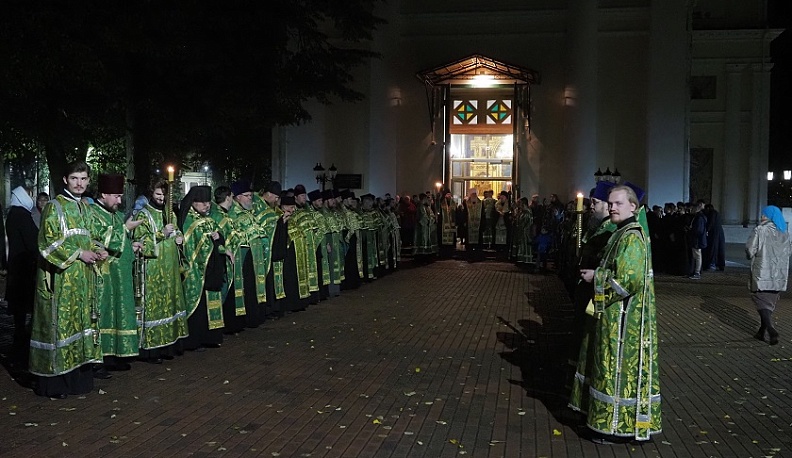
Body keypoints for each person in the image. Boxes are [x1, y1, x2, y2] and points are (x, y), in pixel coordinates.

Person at [570, 184, 661, 443]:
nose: (612, 207)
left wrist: (595, 277)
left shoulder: (632, 236)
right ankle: (605, 424)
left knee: (617, 371)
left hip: (624, 322)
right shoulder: (621, 233)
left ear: (633, 206)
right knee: (607, 368)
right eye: (610, 203)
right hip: (614, 316)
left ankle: (617, 430)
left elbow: (628, 280)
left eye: (618, 203)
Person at [29, 160, 104, 398]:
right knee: (60, 326)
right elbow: (47, 243)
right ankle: (55, 383)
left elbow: (90, 237)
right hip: (60, 278)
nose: (79, 183)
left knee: (80, 324)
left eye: (83, 179)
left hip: (82, 280)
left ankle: (78, 380)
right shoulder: (55, 206)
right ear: (65, 180)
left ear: (88, 181)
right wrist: (79, 254)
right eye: (74, 178)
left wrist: (98, 249)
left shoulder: (86, 208)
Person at [87, 174, 143, 375]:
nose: (119, 201)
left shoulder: (116, 214)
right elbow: (96, 238)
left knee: (121, 312)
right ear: (103, 194)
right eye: (116, 196)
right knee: (104, 314)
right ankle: (99, 358)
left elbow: (120, 239)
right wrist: (124, 229)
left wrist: (132, 244)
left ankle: (117, 354)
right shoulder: (92, 213)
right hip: (104, 274)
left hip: (122, 274)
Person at [134, 180, 188, 364]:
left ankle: (171, 345)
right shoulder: (143, 214)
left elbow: (178, 232)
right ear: (151, 193)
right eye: (158, 194)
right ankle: (153, 349)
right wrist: (161, 234)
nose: (161, 198)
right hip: (153, 270)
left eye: (164, 195)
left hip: (170, 267)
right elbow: (141, 243)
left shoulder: (169, 214)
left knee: (171, 304)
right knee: (155, 308)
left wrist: (180, 237)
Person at [178, 185, 232, 351]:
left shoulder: (209, 219)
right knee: (198, 304)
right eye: (202, 202)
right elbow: (188, 245)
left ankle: (211, 337)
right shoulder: (187, 219)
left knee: (211, 301)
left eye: (208, 202)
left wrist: (219, 239)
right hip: (196, 270)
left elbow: (218, 238)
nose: (207, 205)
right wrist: (211, 240)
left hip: (212, 268)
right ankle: (194, 340)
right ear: (193, 202)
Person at [746, 206, 791, 346]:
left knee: (760, 300)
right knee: (769, 302)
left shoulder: (760, 230)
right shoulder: (785, 233)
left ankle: (771, 330)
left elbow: (750, 249)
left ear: (769, 216)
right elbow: (788, 252)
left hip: (762, 272)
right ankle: (761, 331)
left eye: (764, 214)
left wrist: (750, 255)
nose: (762, 217)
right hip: (778, 274)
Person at [5, 186, 39, 357]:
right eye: (30, 194)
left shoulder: (14, 213)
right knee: (23, 306)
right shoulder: (21, 215)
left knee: (19, 308)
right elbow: (33, 241)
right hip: (24, 267)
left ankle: (20, 339)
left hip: (18, 266)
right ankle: (21, 342)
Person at [687, 200, 708, 279]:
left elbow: (698, 230)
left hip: (697, 240)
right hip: (697, 239)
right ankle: (695, 271)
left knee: (698, 256)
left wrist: (691, 230)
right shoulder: (698, 217)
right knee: (696, 256)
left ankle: (697, 272)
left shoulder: (699, 217)